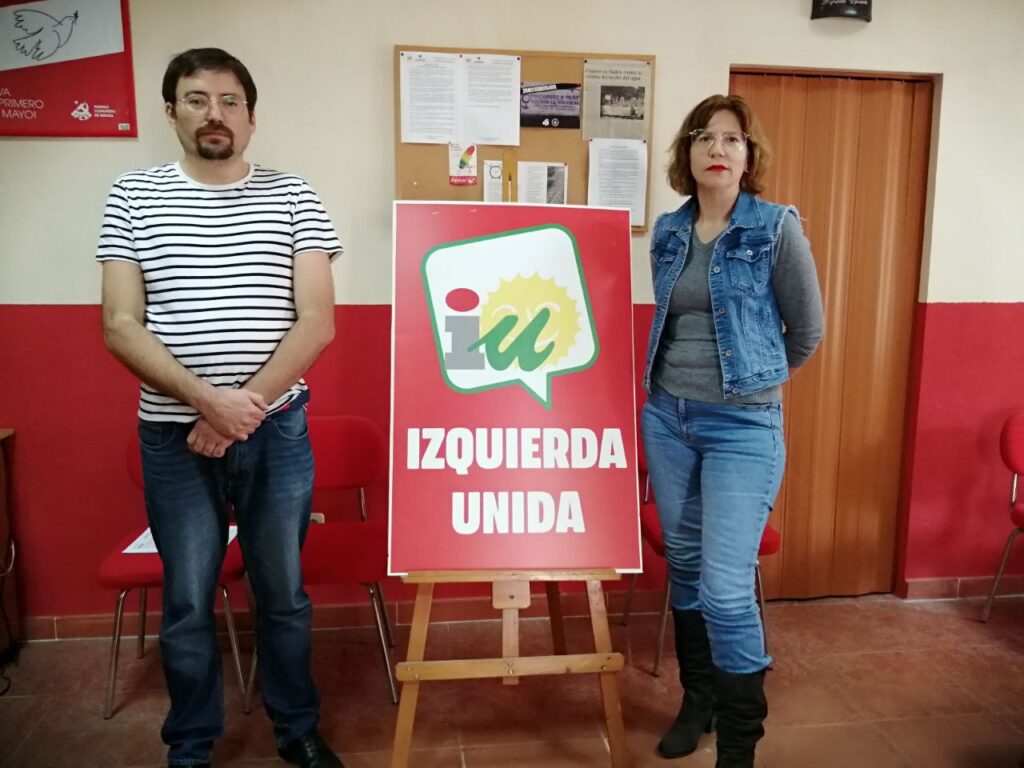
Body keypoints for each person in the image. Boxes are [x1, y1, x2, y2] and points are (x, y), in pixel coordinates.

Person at [97, 48, 344, 768]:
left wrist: (243, 409)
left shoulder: (294, 195)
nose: (215, 113)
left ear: (251, 117)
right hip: (175, 438)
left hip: (276, 432)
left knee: (283, 593)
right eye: (197, 99)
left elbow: (317, 322)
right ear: (172, 111)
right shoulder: (133, 195)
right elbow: (120, 323)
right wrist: (208, 404)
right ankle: (191, 745)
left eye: (230, 101)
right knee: (186, 599)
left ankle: (297, 729)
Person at [641, 94, 824, 767]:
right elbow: (671, 321)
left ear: (749, 156)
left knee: (724, 587)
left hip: (743, 426)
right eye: (703, 137)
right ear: (686, 154)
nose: (717, 148)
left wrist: (755, 381)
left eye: (731, 139)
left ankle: (739, 747)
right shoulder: (668, 231)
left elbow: (807, 331)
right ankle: (699, 702)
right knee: (686, 568)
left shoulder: (775, 227)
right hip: (668, 417)